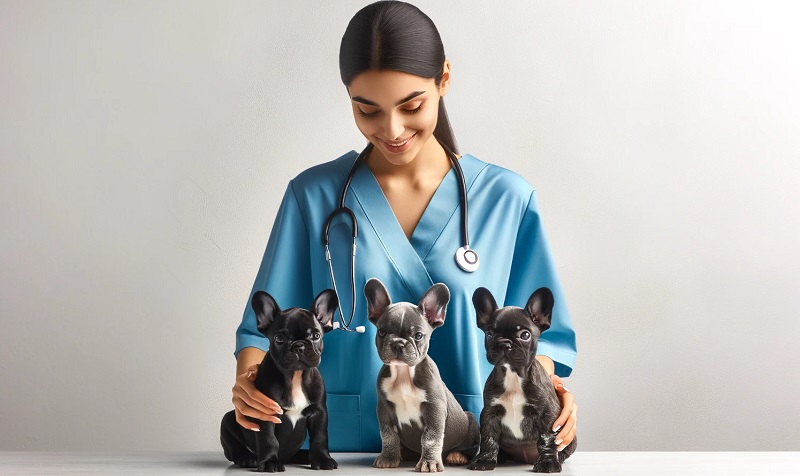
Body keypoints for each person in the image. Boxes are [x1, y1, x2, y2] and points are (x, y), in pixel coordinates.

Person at [225, 0, 577, 457]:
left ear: (444, 79)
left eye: (411, 105)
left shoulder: (508, 198)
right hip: (337, 453)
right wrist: (248, 385)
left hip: (465, 452)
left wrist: (546, 392)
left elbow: (544, 337)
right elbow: (263, 330)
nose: (391, 129)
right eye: (367, 110)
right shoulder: (311, 197)